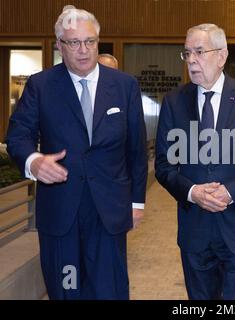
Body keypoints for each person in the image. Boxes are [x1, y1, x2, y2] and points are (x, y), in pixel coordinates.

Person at [5, 6, 147, 299]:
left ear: (98, 42)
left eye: (90, 41)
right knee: (66, 290)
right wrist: (34, 161)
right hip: (60, 212)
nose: (83, 50)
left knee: (110, 291)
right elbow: (18, 134)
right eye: (73, 43)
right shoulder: (41, 86)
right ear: (59, 45)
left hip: (109, 212)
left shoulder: (124, 86)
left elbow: (135, 149)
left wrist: (137, 203)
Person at [155, 23, 235, 300]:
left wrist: (229, 192)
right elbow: (164, 166)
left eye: (199, 52)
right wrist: (192, 192)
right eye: (187, 53)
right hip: (195, 229)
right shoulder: (175, 102)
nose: (191, 61)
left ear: (222, 56)